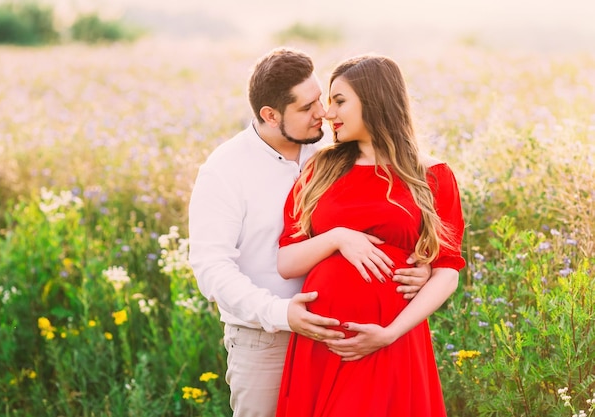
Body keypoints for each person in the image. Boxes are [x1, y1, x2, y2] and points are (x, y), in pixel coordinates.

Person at [188, 47, 432, 417]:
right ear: (270, 115)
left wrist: (421, 266)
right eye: (306, 108)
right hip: (267, 338)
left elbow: (397, 207)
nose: (322, 113)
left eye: (320, 99)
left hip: (342, 336)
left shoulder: (333, 148)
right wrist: (281, 312)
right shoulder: (226, 169)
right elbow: (211, 268)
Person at [275, 54, 466, 417]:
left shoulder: (434, 176)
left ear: (375, 100)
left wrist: (390, 333)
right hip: (324, 345)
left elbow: (447, 269)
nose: (328, 114)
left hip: (390, 342)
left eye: (340, 101)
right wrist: (337, 237)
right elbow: (287, 262)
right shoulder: (320, 169)